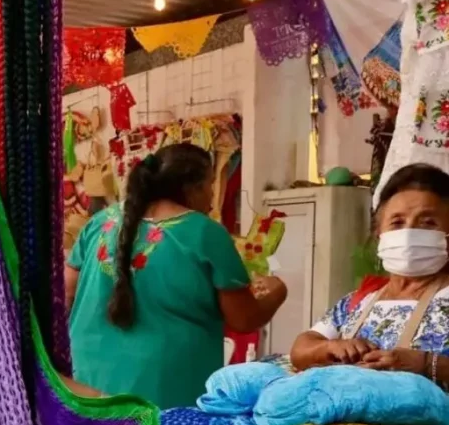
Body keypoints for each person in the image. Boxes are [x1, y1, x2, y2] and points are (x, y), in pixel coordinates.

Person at [64, 143, 287, 409]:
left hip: (88, 388)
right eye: (209, 186)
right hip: (164, 397)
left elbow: (65, 295)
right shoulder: (205, 234)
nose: (211, 196)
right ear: (191, 189)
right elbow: (244, 319)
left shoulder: (99, 223)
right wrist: (277, 292)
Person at [291, 163, 449, 383]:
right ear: (378, 233)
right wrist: (329, 348)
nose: (409, 232)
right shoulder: (357, 302)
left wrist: (426, 364)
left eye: (428, 223)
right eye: (397, 222)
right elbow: (301, 348)